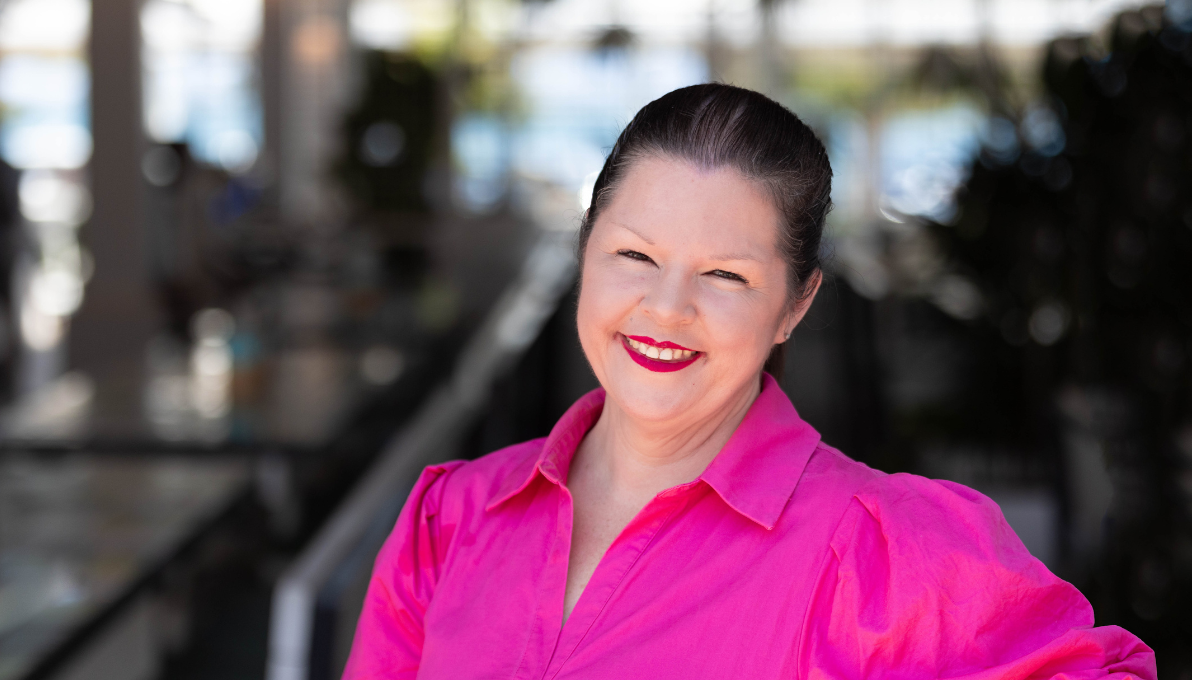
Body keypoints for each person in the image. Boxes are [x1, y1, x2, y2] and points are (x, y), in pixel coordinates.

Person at [342, 84, 1156, 679]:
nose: (666, 309)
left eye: (725, 276)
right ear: (584, 253)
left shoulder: (879, 552)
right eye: (634, 255)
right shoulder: (450, 521)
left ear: (795, 306)